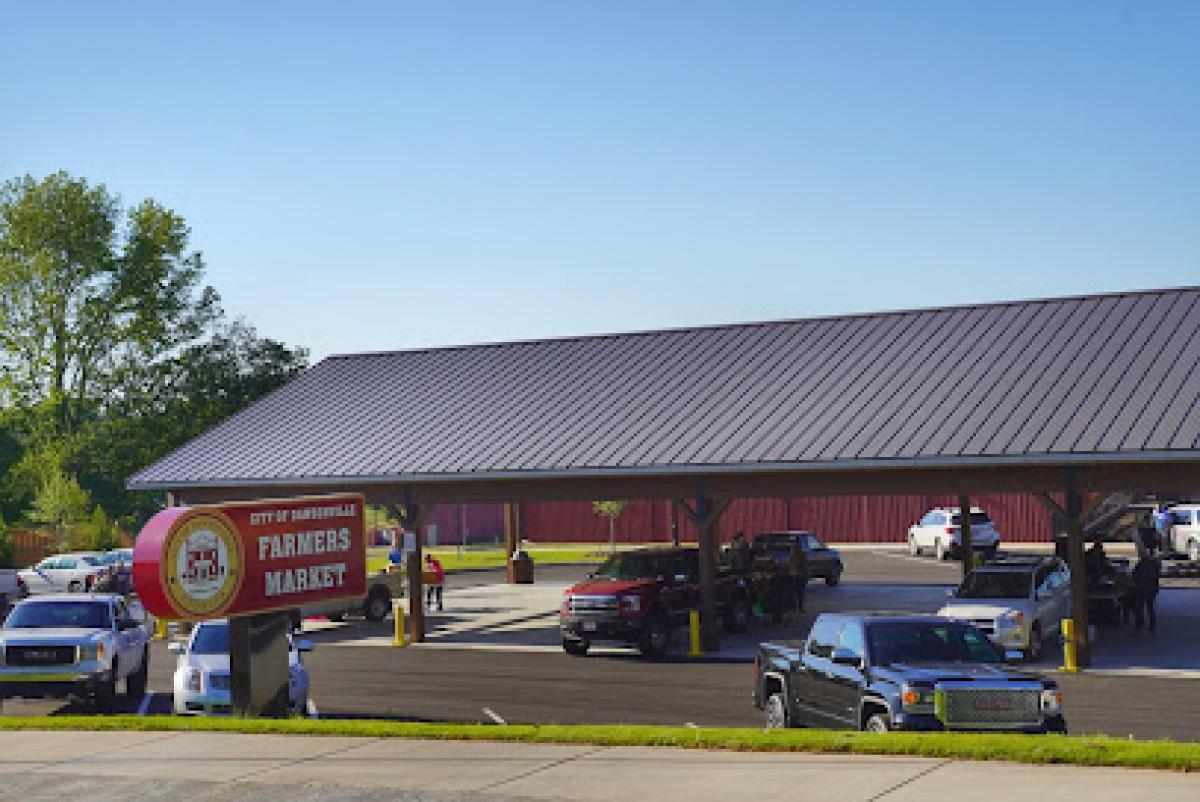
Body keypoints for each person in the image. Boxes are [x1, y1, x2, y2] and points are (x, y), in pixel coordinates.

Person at [1132, 554, 1161, 634]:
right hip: (1150, 588)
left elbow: (1134, 575)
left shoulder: (1142, 564)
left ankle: (1139, 624)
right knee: (1149, 607)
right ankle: (1151, 625)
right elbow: (1156, 578)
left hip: (1142, 588)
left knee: (1140, 607)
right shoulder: (1155, 565)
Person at [788, 542, 808, 614]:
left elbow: (804, 565)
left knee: (798, 592)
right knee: (796, 592)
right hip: (796, 575)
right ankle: (796, 607)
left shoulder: (799, 555)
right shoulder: (795, 555)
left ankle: (797, 607)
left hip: (798, 575)